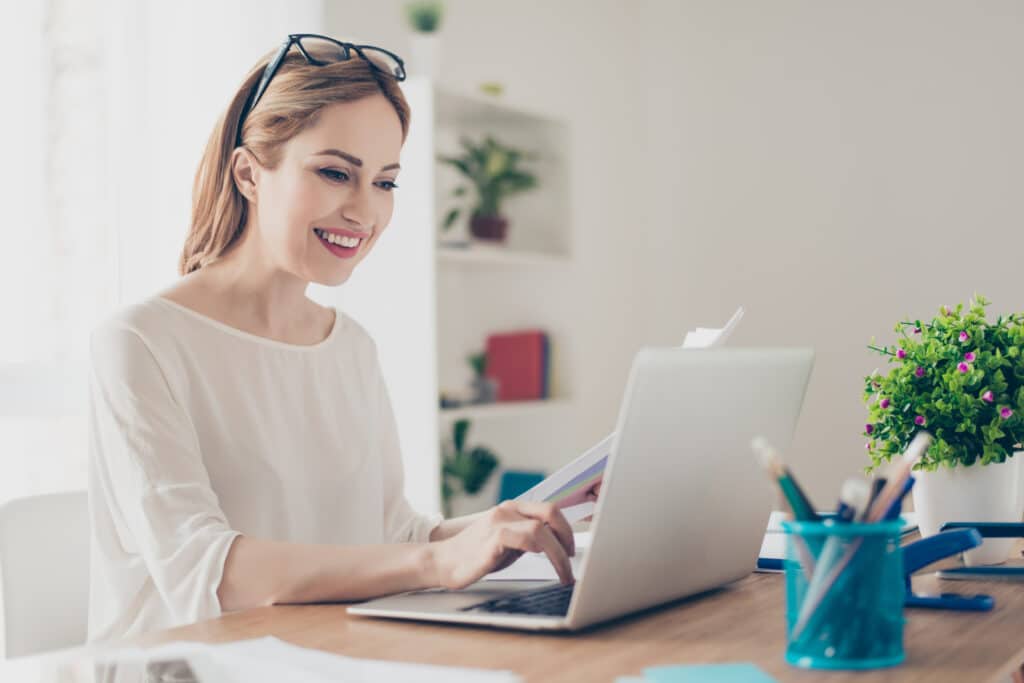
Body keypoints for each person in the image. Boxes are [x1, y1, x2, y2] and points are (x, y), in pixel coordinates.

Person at [87, 34, 576, 643]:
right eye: (335, 173)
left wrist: (523, 524)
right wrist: (436, 563)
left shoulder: (350, 346)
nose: (363, 212)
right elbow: (210, 573)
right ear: (248, 174)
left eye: (385, 183)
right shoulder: (141, 342)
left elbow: (391, 534)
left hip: (322, 657)